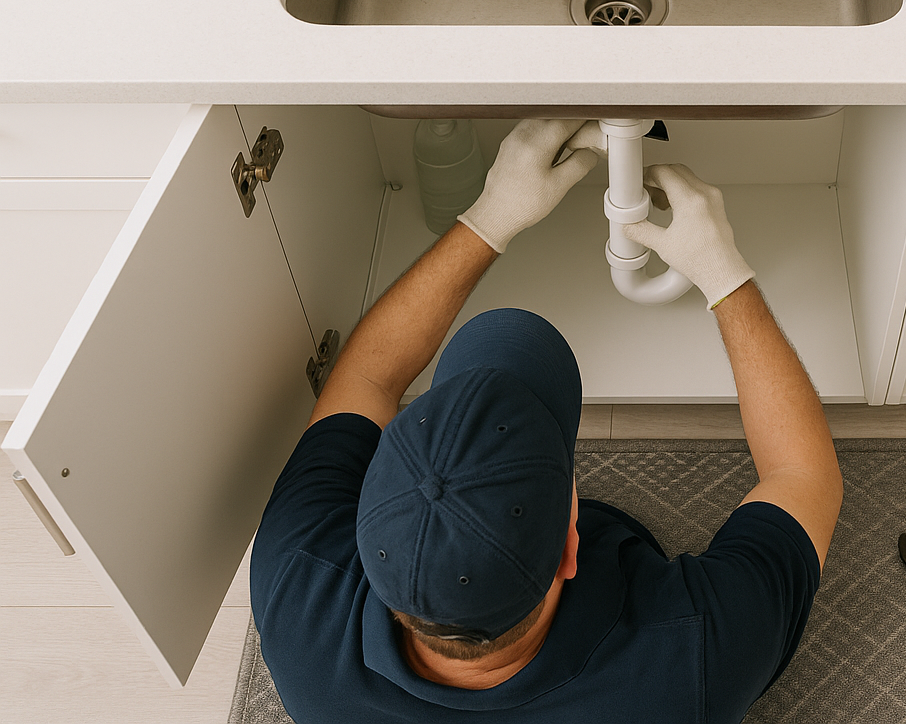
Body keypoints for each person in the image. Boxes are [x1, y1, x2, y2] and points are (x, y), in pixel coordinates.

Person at [250, 119, 843, 723]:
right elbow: (802, 476)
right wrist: (724, 274)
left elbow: (364, 382)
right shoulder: (689, 657)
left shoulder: (298, 598)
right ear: (568, 548)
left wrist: (488, 217)